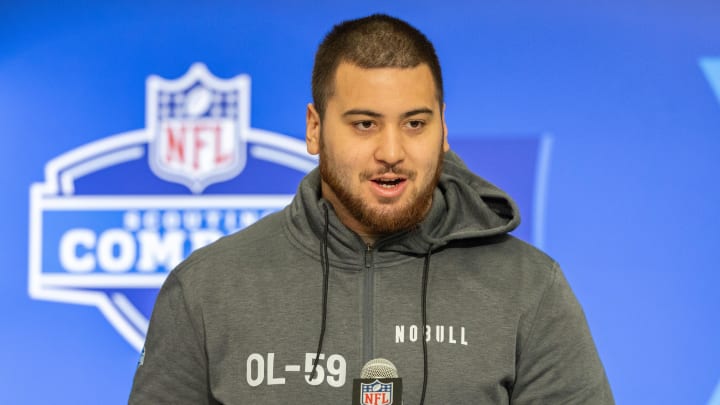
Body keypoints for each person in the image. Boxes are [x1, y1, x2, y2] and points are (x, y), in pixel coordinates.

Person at [129, 14, 614, 404]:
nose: (391, 151)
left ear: (443, 128)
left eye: (415, 124)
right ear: (315, 129)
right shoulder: (206, 290)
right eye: (364, 124)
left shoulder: (528, 289)